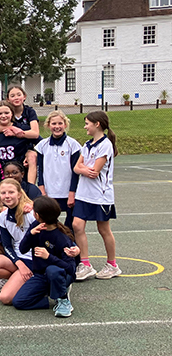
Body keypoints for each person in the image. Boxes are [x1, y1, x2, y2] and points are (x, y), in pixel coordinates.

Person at [13, 196, 81, 317]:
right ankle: (53, 294)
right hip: (41, 275)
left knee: (52, 270)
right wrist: (30, 234)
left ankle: (63, 299)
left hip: (61, 275)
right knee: (19, 302)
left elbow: (70, 269)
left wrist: (48, 257)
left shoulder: (62, 238)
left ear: (38, 215)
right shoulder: (36, 226)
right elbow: (22, 249)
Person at [72, 111, 119, 281]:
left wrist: (83, 168)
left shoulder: (105, 145)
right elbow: (76, 168)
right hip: (83, 194)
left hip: (100, 195)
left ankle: (112, 265)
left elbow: (95, 171)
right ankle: (85, 264)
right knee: (77, 225)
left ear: (97, 124)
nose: (85, 127)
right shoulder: (87, 145)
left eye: (87, 123)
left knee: (103, 229)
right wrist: (83, 169)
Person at [0, 178, 36, 300]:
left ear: (19, 194)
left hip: (33, 259)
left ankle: (37, 282)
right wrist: (19, 264)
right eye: (3, 193)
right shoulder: (3, 216)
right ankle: (21, 279)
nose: (7, 196)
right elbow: (7, 246)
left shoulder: (31, 213)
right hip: (18, 259)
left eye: (11, 192)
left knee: (5, 298)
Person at [35, 110, 81, 231]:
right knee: (49, 225)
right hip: (49, 193)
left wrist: (72, 193)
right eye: (54, 123)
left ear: (65, 125)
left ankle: (70, 242)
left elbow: (75, 172)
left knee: (70, 226)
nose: (57, 126)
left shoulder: (73, 145)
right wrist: (42, 191)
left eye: (60, 123)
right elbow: (40, 169)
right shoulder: (42, 145)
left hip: (67, 192)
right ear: (48, 125)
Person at [0, 85, 40, 184]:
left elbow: (35, 133)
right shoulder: (5, 112)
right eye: (12, 96)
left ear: (24, 96)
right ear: (8, 99)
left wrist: (18, 132)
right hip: (11, 147)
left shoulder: (29, 112)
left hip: (26, 146)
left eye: (19, 95)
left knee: (32, 156)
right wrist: (11, 128)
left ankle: (30, 187)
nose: (16, 98)